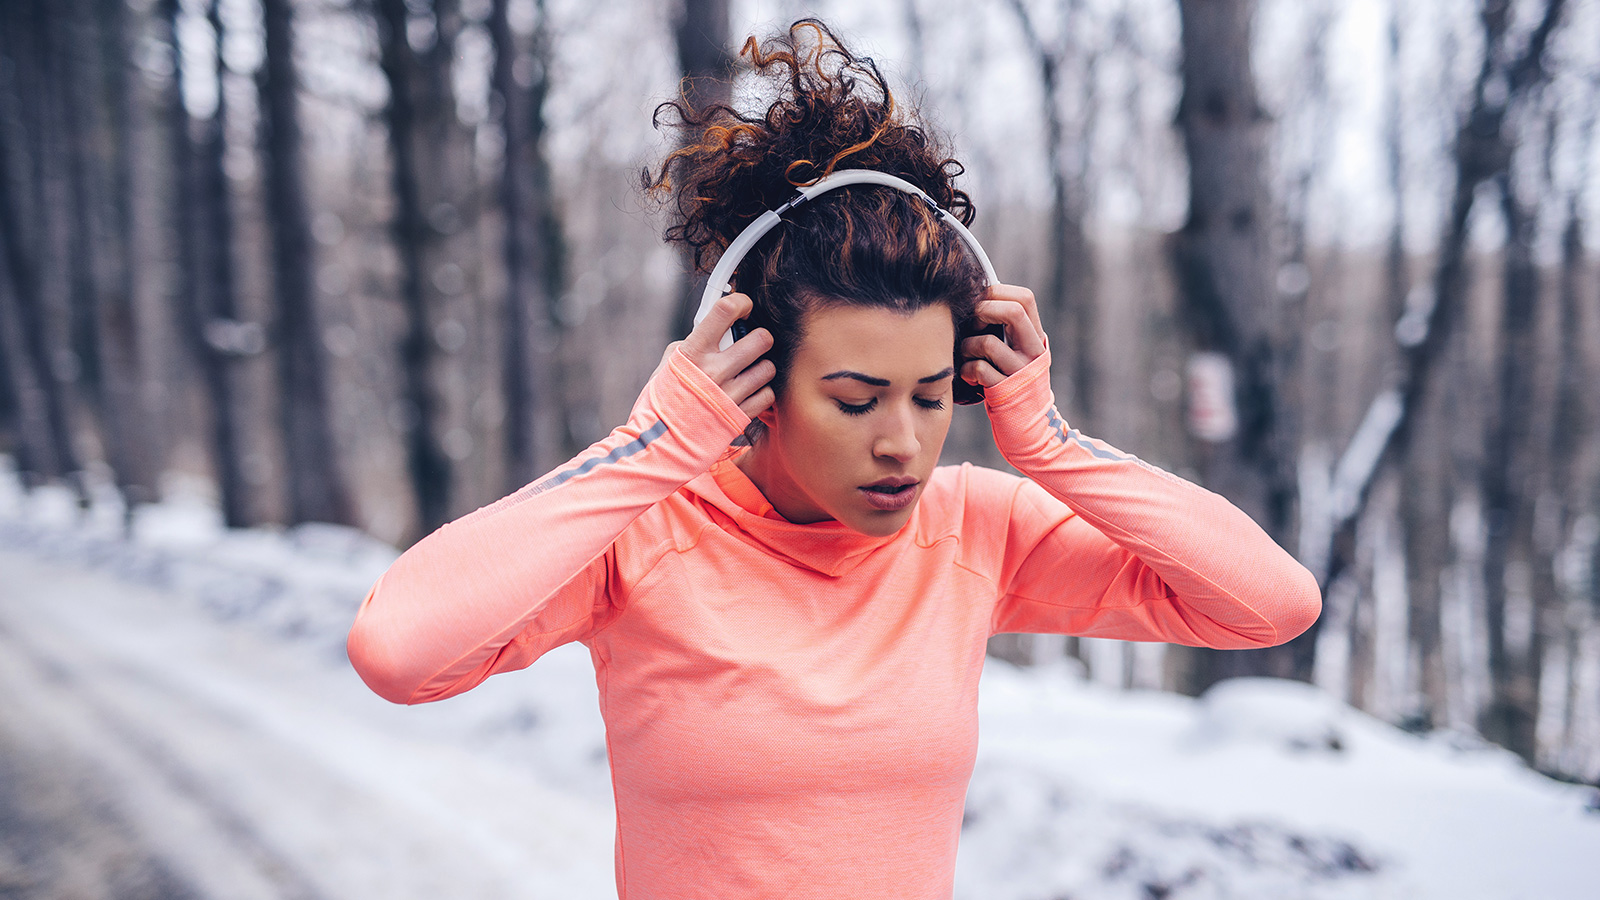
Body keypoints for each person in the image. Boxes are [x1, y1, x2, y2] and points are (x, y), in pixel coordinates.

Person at [347, 19, 1320, 900]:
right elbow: (399, 652)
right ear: (761, 378)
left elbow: (1269, 603)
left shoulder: (975, 528)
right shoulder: (644, 536)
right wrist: (650, 448)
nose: (900, 441)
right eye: (854, 400)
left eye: (933, 397)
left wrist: (1053, 447)